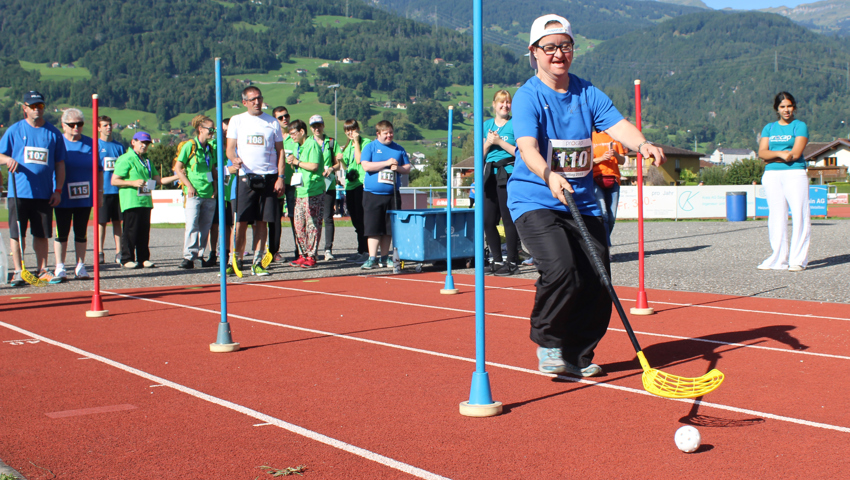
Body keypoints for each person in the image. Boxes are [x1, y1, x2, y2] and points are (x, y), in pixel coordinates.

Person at [508, 15, 666, 376]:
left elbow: (618, 125)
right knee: (562, 268)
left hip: (581, 200)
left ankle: (578, 354)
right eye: (549, 48)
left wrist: (642, 144)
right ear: (534, 53)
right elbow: (528, 148)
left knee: (598, 278)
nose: (558, 54)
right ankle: (548, 343)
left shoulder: (587, 92)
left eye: (565, 46)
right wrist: (549, 175)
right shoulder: (528, 96)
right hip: (536, 198)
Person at [0, 90, 66, 286]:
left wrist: (58, 190)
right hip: (19, 192)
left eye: (40, 106)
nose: (37, 109)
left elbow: (60, 164)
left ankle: (42, 269)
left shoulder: (53, 133)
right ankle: (19, 271)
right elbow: (0, 155)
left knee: (42, 233)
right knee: (17, 233)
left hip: (44, 192)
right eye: (33, 106)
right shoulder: (14, 130)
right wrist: (8, 159)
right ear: (25, 108)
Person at [225, 86, 285, 276]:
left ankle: (258, 262)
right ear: (245, 102)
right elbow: (230, 148)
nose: (257, 102)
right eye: (252, 99)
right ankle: (236, 259)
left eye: (259, 98)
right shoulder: (237, 120)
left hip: (268, 177)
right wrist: (234, 159)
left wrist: (280, 177)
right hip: (245, 177)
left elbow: (280, 151)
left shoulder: (272, 122)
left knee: (262, 222)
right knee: (241, 221)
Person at [757, 91, 810, 272]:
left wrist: (771, 157)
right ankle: (778, 259)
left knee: (799, 215)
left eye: (789, 106)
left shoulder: (799, 126)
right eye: (782, 107)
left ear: (793, 107)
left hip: (795, 174)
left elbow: (795, 154)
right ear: (777, 109)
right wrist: (780, 154)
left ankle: (798, 260)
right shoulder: (769, 128)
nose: (786, 110)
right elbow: (762, 153)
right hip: (772, 176)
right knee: (776, 217)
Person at [50, 108, 100, 282]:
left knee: (81, 231)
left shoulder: (91, 144)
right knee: (61, 231)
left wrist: (99, 192)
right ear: (63, 125)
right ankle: (60, 266)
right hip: (63, 195)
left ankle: (80, 265)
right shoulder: (58, 142)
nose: (76, 127)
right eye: (72, 124)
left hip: (84, 196)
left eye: (79, 124)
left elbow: (99, 170)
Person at [360, 120, 411, 269]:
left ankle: (384, 257)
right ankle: (372, 257)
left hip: (392, 194)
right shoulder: (370, 147)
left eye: (391, 132)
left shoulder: (399, 149)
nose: (389, 135)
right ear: (378, 134)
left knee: (389, 228)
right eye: (386, 133)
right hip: (372, 194)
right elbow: (366, 165)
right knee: (373, 227)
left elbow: (407, 168)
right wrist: (386, 163)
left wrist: (398, 168)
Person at [111, 131, 162, 268]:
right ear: (133, 142)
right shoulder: (126, 158)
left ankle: (143, 258)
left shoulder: (147, 161)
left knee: (144, 231)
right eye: (142, 142)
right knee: (130, 231)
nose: (144, 145)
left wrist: (179, 176)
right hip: (131, 201)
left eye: (147, 143)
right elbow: (115, 181)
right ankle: (126, 258)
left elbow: (159, 180)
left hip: (145, 200)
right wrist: (132, 183)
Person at [482, 90, 519, 276]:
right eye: (501, 103)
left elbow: (520, 151)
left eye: (508, 102)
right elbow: (479, 154)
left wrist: (499, 142)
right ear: (494, 104)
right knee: (488, 220)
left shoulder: (515, 124)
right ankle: (496, 259)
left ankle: (512, 260)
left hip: (509, 172)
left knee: (508, 219)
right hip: (490, 173)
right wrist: (488, 144)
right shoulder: (486, 125)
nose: (505, 106)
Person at [174, 115, 218, 269]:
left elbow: (212, 168)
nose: (212, 132)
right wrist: (189, 186)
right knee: (192, 225)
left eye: (213, 129)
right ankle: (188, 257)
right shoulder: (190, 146)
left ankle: (200, 255)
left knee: (205, 227)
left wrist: (216, 187)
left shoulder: (210, 148)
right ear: (200, 129)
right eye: (210, 129)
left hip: (209, 193)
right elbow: (178, 168)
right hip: (194, 193)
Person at [286, 119, 324, 268]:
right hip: (300, 191)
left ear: (302, 132)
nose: (292, 137)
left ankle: (311, 255)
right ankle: (302, 254)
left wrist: (297, 162)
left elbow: (314, 166)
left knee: (312, 225)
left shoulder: (312, 144)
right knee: (299, 225)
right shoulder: (298, 146)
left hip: (313, 190)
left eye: (294, 134)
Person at [306, 115, 342, 261]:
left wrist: (332, 169)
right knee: (312, 218)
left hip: (328, 183)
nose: (317, 128)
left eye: (319, 125)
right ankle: (311, 250)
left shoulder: (331, 142)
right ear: (310, 128)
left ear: (323, 125)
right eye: (314, 126)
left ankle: (328, 249)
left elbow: (338, 162)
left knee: (327, 217)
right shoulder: (307, 142)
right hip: (313, 184)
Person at [268, 106, 298, 263]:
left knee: (295, 218)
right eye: (280, 117)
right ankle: (273, 251)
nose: (284, 119)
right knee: (275, 218)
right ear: (275, 120)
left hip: (293, 183)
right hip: (277, 182)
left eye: (286, 116)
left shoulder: (295, 137)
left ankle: (299, 250)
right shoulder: (272, 136)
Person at [340, 119, 370, 263]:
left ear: (358, 129)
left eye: (352, 129)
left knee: (362, 219)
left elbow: (358, 160)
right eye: (347, 130)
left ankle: (367, 251)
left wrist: (357, 142)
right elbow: (347, 168)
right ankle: (361, 250)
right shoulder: (347, 147)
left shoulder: (365, 143)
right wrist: (340, 161)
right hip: (350, 186)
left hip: (361, 185)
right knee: (356, 221)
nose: (350, 133)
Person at [96, 115, 125, 265]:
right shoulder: (95, 146)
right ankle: (99, 252)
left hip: (117, 191)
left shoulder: (119, 147)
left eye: (110, 125)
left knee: (117, 222)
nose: (108, 127)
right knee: (101, 222)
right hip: (103, 191)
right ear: (98, 128)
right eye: (105, 125)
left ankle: (118, 252)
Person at [206, 117, 234, 267]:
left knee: (229, 224)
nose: (224, 132)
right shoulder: (213, 146)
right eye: (222, 130)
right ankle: (213, 252)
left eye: (226, 130)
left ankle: (228, 253)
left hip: (230, 191)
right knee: (214, 224)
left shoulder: (234, 145)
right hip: (216, 191)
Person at [591, 129, 626, 248]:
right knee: (603, 214)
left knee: (611, 217)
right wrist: (602, 158)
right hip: (595, 178)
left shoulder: (615, 137)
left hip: (613, 179)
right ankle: (605, 246)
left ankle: (603, 241)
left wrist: (615, 154)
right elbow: (587, 162)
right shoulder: (591, 137)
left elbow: (622, 161)